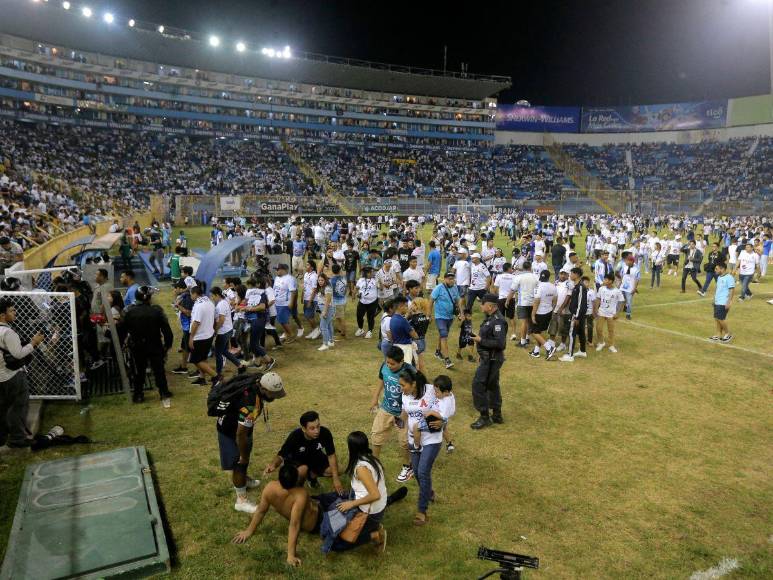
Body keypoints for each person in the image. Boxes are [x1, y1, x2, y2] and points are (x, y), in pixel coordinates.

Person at [216, 372, 285, 513]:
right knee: (240, 462)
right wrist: (243, 454)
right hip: (231, 432)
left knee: (244, 460)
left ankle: (244, 480)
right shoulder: (249, 404)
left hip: (242, 429)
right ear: (264, 389)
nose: (275, 398)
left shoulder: (257, 381)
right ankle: (240, 500)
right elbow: (240, 434)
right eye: (273, 394)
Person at [232, 463, 324, 566]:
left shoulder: (270, 488)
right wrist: (290, 555)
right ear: (296, 479)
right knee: (335, 500)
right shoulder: (301, 494)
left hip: (314, 509)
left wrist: (249, 531)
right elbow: (294, 525)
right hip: (319, 520)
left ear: (279, 477)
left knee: (319, 496)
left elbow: (260, 511)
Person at [328, 432, 389, 551]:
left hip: (370, 513)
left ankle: (375, 534)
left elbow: (375, 495)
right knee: (335, 527)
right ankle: (370, 528)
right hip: (372, 506)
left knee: (336, 546)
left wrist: (350, 504)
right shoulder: (371, 458)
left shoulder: (361, 468)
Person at [399, 367, 445, 526]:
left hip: (432, 438)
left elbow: (446, 403)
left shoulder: (432, 390)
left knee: (423, 471)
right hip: (414, 438)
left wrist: (444, 421)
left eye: (403, 385)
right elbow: (406, 412)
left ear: (413, 384)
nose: (401, 389)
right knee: (417, 473)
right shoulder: (405, 395)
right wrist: (399, 420)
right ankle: (429, 492)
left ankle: (422, 511)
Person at [0, 299, 44, 450]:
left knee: (5, 407)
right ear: (2, 315)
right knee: (18, 406)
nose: (15, 313)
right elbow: (18, 354)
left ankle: (5, 435)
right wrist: (34, 343)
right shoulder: (7, 332)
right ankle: (17, 439)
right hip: (11, 375)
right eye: (11, 310)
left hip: (1, 376)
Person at [264, 411, 344, 493]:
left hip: (315, 458)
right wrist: (274, 464)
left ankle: (312, 477)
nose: (317, 431)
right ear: (304, 429)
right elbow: (281, 455)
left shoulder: (325, 433)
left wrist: (336, 478)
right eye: (312, 428)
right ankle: (299, 491)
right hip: (297, 461)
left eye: (318, 426)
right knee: (303, 470)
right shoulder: (295, 436)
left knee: (339, 469)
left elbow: (331, 455)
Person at [121, 286, 174, 405]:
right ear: (149, 298)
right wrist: (167, 345)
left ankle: (138, 394)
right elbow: (167, 330)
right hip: (155, 345)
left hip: (137, 346)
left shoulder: (128, 311)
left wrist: (123, 344)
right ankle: (163, 392)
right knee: (159, 370)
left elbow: (123, 329)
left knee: (139, 371)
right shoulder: (157, 310)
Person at [369, 346, 413, 482]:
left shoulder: (409, 371)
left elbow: (417, 390)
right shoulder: (384, 366)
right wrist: (374, 399)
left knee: (404, 442)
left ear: (401, 362)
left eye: (392, 364)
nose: (389, 365)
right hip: (386, 408)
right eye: (387, 362)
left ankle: (408, 466)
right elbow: (381, 381)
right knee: (376, 435)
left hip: (403, 413)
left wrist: (406, 413)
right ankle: (375, 465)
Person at [470, 294, 508, 430]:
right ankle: (497, 415)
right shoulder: (491, 318)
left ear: (490, 306)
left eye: (482, 304)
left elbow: (500, 343)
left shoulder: (497, 321)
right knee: (493, 385)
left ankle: (484, 417)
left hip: (492, 359)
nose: (480, 306)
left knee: (478, 385)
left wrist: (480, 341)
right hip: (488, 357)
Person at [211, 287, 249, 376]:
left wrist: (215, 330)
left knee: (218, 353)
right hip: (228, 330)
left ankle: (218, 374)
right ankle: (240, 366)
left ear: (217, 295)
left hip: (223, 332)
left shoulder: (221, 305)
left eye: (213, 296)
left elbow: (221, 320)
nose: (212, 298)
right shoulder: (224, 302)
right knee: (224, 351)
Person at [430, 272, 463, 370]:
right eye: (449, 279)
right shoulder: (438, 288)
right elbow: (431, 300)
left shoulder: (455, 287)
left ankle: (437, 351)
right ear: (444, 279)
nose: (451, 280)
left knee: (443, 334)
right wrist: (428, 314)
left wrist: (461, 313)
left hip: (450, 317)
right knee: (444, 335)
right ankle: (447, 360)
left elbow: (458, 300)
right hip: (440, 316)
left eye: (452, 278)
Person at [560, 268, 589, 363]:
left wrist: (576, 317)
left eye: (571, 273)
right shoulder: (576, 286)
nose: (570, 275)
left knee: (571, 334)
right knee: (580, 332)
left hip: (576, 314)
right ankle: (582, 351)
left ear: (576, 275)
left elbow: (581, 303)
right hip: (579, 314)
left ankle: (570, 355)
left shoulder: (580, 286)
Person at [529, 270, 557, 359]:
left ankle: (549, 348)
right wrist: (551, 307)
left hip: (539, 313)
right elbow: (555, 300)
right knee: (540, 332)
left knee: (534, 332)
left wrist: (533, 314)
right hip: (548, 311)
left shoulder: (539, 286)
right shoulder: (553, 286)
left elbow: (536, 301)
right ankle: (536, 351)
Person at [594, 273, 624, 353]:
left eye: (606, 279)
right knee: (598, 328)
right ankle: (601, 342)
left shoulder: (617, 291)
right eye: (604, 279)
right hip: (601, 312)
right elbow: (598, 299)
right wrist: (596, 309)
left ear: (610, 281)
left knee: (611, 330)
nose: (604, 281)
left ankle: (611, 345)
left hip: (611, 314)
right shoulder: (601, 289)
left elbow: (621, 302)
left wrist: (617, 313)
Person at [389, 295, 418, 365]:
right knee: (407, 370)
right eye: (406, 306)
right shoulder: (403, 321)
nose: (407, 308)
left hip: (396, 346)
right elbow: (415, 336)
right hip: (405, 349)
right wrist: (412, 328)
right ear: (400, 307)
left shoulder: (392, 318)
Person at [711, 262, 735, 342]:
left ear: (723, 269)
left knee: (721, 319)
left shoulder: (729, 278)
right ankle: (718, 335)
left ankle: (728, 334)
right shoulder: (719, 277)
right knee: (717, 319)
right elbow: (718, 289)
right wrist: (714, 298)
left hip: (723, 302)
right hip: (717, 301)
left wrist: (729, 302)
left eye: (717, 269)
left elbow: (732, 290)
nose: (715, 270)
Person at [408, 297, 431, 375]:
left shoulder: (412, 318)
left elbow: (408, 329)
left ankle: (418, 379)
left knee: (415, 363)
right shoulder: (426, 317)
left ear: (417, 306)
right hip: (423, 341)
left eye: (412, 304)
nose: (410, 305)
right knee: (420, 362)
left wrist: (408, 314)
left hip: (415, 342)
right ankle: (423, 379)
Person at [313, 272, 335, 351]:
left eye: (322, 280)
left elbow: (328, 300)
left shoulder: (327, 288)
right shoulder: (321, 287)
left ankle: (325, 344)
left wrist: (325, 311)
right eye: (319, 280)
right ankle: (331, 341)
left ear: (325, 280)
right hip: (323, 308)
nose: (320, 282)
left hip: (327, 308)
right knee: (328, 325)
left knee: (323, 327)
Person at [355, 266, 379, 338]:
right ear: (367, 273)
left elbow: (380, 287)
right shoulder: (361, 280)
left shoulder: (375, 280)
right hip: (362, 301)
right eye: (372, 272)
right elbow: (357, 288)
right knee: (359, 316)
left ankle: (369, 331)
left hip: (373, 302)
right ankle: (360, 329)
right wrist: (357, 293)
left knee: (370, 317)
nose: (373, 273)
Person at [434, 374, 456, 453]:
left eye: (437, 392)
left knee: (441, 429)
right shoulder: (448, 394)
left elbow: (442, 416)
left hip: (441, 419)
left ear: (446, 392)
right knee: (444, 429)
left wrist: (431, 412)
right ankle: (449, 444)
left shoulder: (446, 402)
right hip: (444, 418)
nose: (435, 394)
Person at [330, 264, 348, 339]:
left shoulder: (331, 280)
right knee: (339, 316)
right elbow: (346, 288)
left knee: (341, 317)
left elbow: (330, 292)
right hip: (343, 300)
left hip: (336, 301)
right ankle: (340, 329)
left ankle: (343, 332)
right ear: (339, 270)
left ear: (332, 271)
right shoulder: (344, 278)